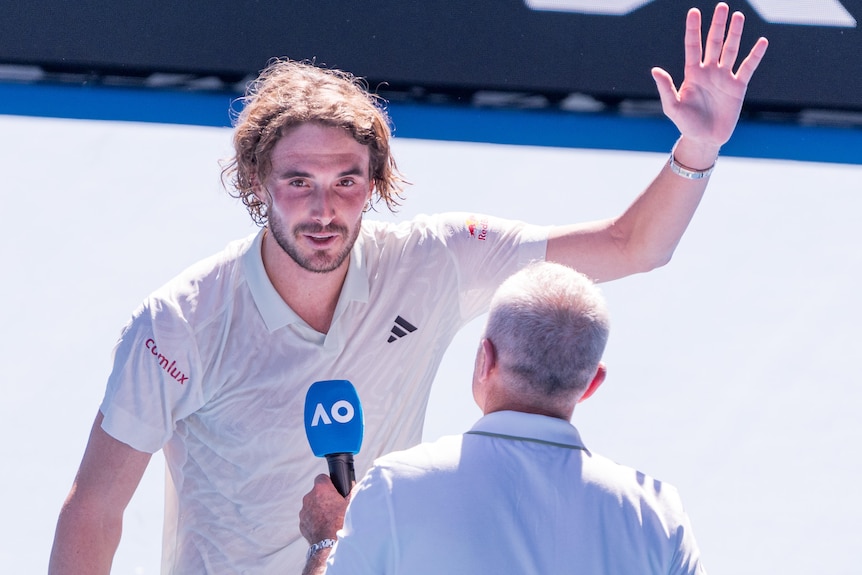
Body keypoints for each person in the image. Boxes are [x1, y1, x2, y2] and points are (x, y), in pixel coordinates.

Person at [48, 3, 765, 573]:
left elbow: (631, 246)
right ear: (257, 184)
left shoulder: (434, 261)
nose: (323, 208)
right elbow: (94, 511)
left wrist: (698, 148)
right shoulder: (178, 323)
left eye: (346, 181)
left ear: (374, 185)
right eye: (298, 182)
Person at [299, 261, 705, 575]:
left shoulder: (395, 486)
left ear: (484, 359)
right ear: (591, 383)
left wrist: (326, 540)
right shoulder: (658, 515)